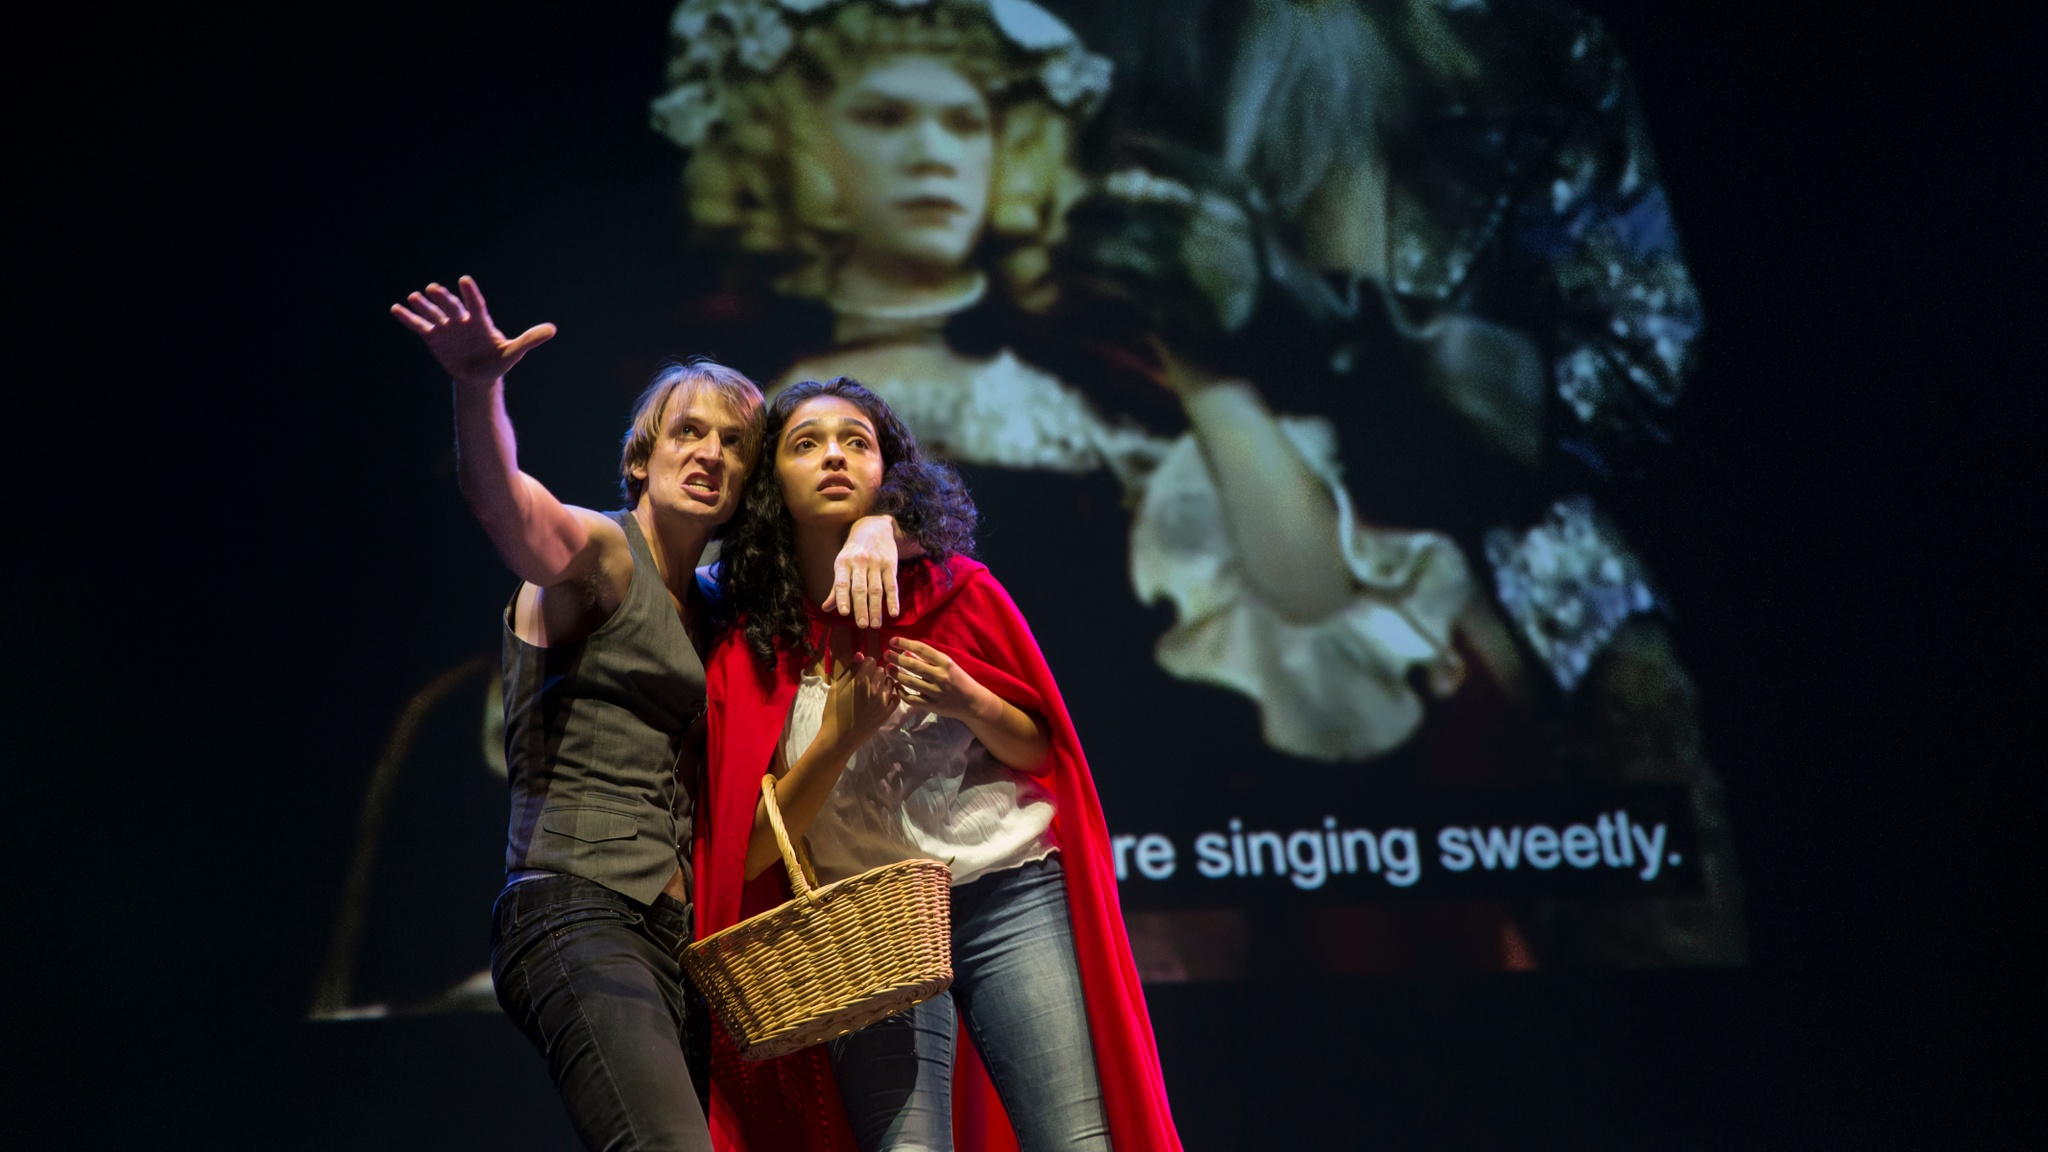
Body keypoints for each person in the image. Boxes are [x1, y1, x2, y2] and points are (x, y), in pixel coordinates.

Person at [389, 276, 912, 1149]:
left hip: (681, 942)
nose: (709, 452)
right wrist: (479, 387)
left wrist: (878, 525)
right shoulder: (599, 554)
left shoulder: (722, 610)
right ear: (643, 458)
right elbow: (508, 509)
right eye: (688, 433)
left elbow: (833, 555)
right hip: (574, 909)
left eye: (735, 443)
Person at [693, 377, 1181, 1151]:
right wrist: (840, 737)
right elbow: (750, 850)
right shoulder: (751, 643)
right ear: (771, 486)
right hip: (870, 923)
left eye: (858, 442)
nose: (834, 458)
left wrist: (970, 701)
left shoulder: (958, 591)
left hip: (1006, 890)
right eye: (806, 443)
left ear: (889, 473)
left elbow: (1039, 752)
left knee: (1075, 1140)